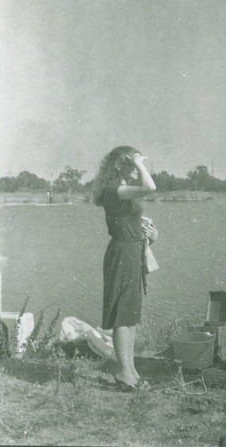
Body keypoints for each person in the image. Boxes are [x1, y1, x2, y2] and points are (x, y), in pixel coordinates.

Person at [92, 146, 157, 391]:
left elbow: (132, 223)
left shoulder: (121, 192)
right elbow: (150, 187)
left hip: (131, 252)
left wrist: (151, 234)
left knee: (130, 315)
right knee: (122, 314)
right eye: (132, 163)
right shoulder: (113, 191)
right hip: (121, 254)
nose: (138, 168)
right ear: (120, 166)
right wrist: (140, 163)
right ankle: (123, 372)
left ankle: (130, 369)